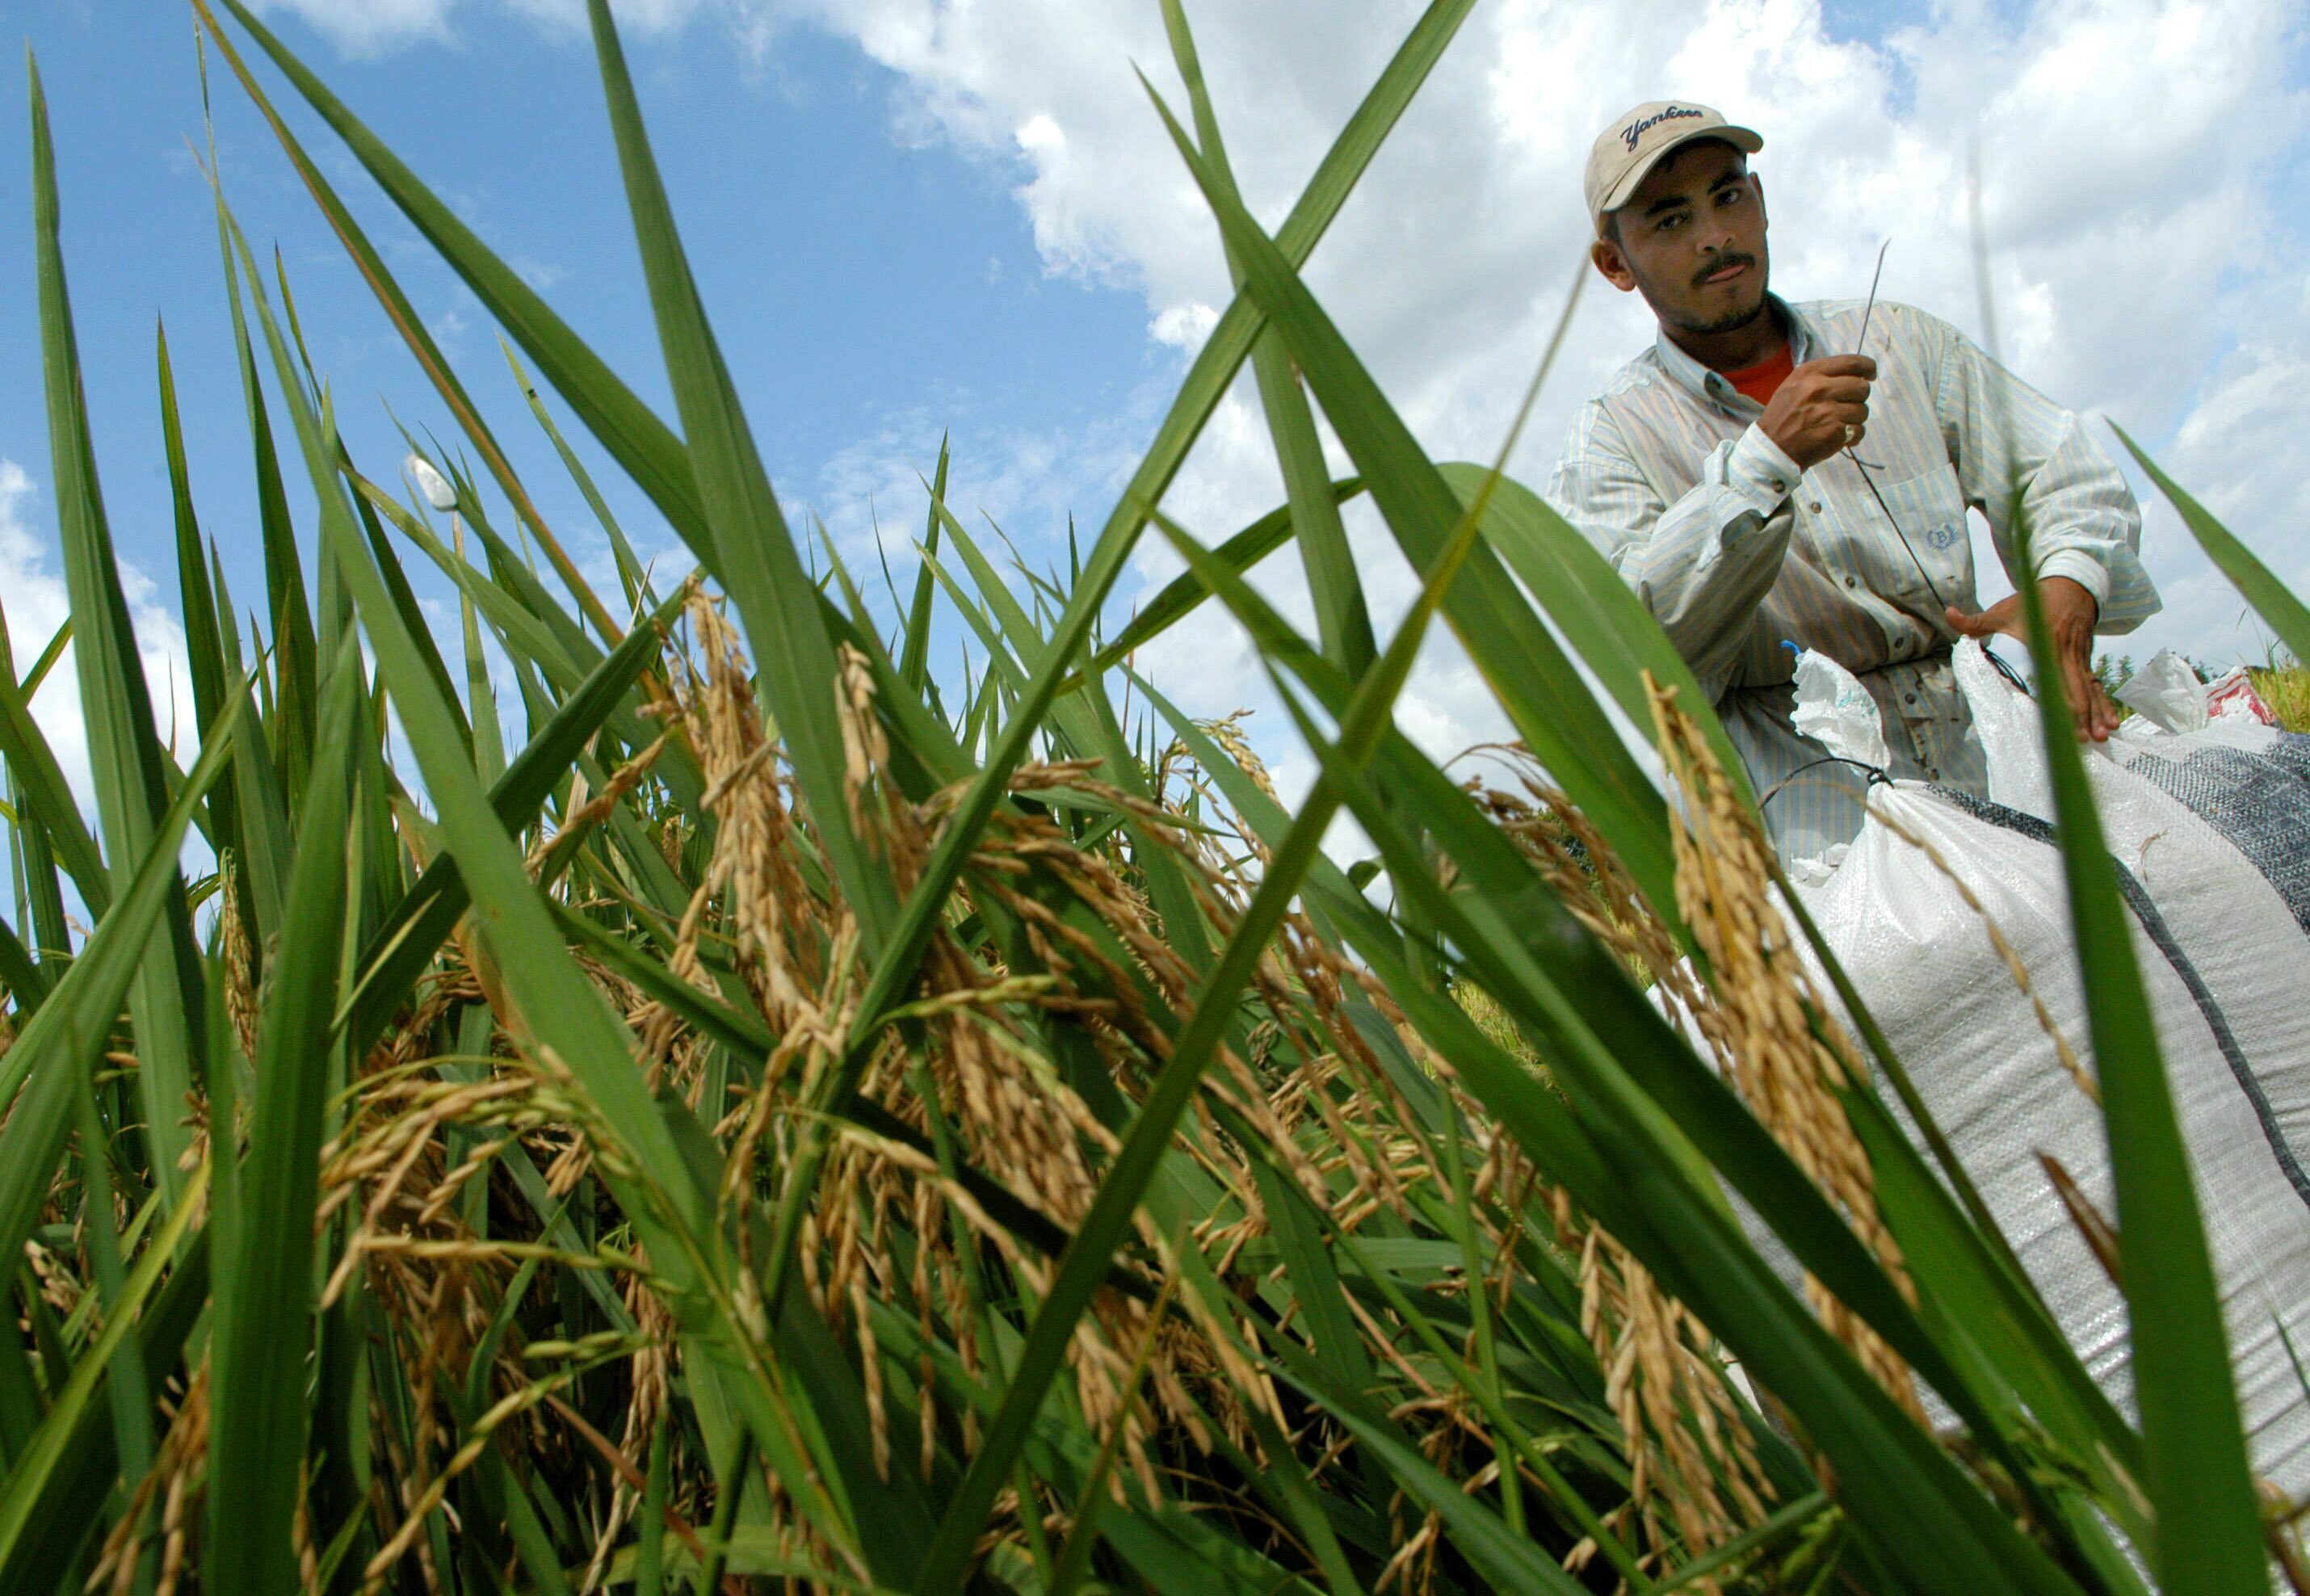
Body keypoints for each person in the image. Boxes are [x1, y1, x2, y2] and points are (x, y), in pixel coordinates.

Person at [1547, 101, 2159, 859]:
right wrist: (1761, 465)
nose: (1715, 236)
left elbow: (2062, 476)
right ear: (1615, 264)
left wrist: (2065, 591)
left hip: (1998, 752)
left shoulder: (1898, 341)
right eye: (1670, 221)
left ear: (1761, 202)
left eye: (1729, 196)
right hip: (1811, 817)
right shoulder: (1612, 436)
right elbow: (1636, 643)